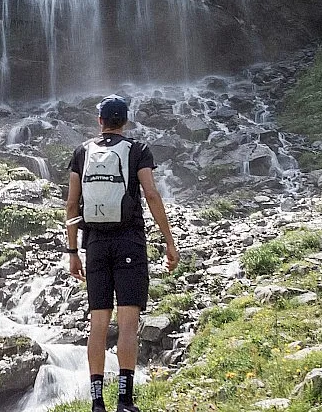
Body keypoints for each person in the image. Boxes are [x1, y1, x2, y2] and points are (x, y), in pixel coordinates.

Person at [65, 95, 179, 412]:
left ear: (100, 120)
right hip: (129, 241)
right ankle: (125, 400)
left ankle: (97, 401)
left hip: (95, 244)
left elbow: (72, 205)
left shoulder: (82, 153)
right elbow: (152, 194)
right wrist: (169, 240)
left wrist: (73, 250)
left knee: (98, 323)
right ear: (125, 122)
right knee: (128, 323)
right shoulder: (138, 150)